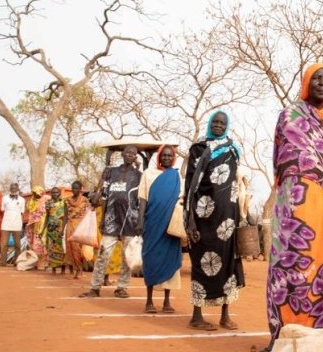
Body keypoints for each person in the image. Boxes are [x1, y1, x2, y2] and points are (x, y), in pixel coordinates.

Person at [260, 65, 323, 352]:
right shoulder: (289, 116)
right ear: (306, 84)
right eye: (317, 79)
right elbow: (279, 158)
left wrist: (319, 174)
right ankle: (281, 336)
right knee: (290, 264)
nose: (322, 84)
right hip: (293, 203)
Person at [184, 111, 244, 330]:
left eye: (223, 123)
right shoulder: (198, 148)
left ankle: (224, 315)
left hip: (227, 218)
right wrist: (190, 219)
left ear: (227, 126)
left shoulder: (233, 149)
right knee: (201, 263)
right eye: (215, 122)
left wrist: (241, 215)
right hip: (202, 216)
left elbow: (236, 185)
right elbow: (190, 185)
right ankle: (196, 316)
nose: (219, 125)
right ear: (210, 124)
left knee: (229, 263)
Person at [80, 146, 142, 298]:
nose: (130, 155)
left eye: (133, 154)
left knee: (127, 257)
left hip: (130, 221)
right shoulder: (111, 172)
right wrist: (102, 219)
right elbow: (104, 197)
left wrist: (140, 222)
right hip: (111, 220)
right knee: (103, 254)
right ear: (122, 155)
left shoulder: (139, 175)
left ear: (135, 157)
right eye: (127, 153)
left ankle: (122, 287)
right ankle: (95, 287)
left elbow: (141, 200)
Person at [138, 145, 183, 314]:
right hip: (152, 223)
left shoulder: (176, 175)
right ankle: (149, 301)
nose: (166, 158)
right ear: (158, 156)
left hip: (170, 226)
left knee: (170, 261)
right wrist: (140, 221)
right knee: (151, 259)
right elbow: (142, 199)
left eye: (169, 156)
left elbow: (181, 197)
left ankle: (166, 301)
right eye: (163, 155)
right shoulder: (147, 174)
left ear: (173, 158)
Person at [64, 180, 90, 279]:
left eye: (76, 188)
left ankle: (80, 268)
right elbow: (65, 215)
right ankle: (77, 269)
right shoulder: (67, 200)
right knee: (71, 248)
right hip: (70, 225)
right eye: (73, 188)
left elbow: (88, 214)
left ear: (80, 189)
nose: (74, 190)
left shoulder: (85, 200)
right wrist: (62, 229)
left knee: (79, 248)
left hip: (81, 225)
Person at [0, 182, 25, 265]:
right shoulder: (4, 198)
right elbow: (2, 210)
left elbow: (22, 212)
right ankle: (3, 262)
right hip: (6, 224)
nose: (13, 189)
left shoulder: (22, 200)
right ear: (10, 189)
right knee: (4, 244)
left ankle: (16, 262)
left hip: (17, 224)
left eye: (15, 188)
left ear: (17, 189)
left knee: (17, 245)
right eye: (12, 188)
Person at [42, 187, 67, 274]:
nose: (54, 194)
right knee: (51, 248)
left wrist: (63, 228)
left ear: (59, 193)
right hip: (51, 228)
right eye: (53, 193)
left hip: (60, 227)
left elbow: (65, 217)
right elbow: (47, 216)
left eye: (56, 193)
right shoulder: (48, 203)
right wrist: (43, 229)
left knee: (62, 248)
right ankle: (53, 269)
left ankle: (63, 269)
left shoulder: (64, 202)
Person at [25, 186, 48, 270]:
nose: (35, 195)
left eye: (37, 193)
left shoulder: (46, 199)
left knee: (43, 244)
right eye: (34, 193)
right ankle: (36, 263)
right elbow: (29, 210)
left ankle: (42, 264)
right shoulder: (31, 201)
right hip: (34, 226)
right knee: (35, 245)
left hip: (44, 225)